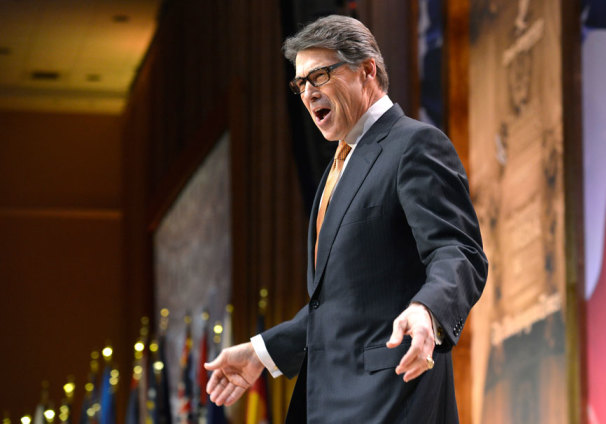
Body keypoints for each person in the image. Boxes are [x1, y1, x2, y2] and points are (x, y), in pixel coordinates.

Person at [205, 15, 487, 423]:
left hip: (392, 399)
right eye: (300, 84)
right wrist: (262, 353)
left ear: (367, 69)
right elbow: (339, 306)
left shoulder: (414, 145)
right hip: (332, 404)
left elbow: (458, 250)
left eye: (318, 76)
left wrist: (428, 310)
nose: (307, 93)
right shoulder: (337, 169)